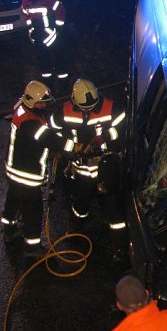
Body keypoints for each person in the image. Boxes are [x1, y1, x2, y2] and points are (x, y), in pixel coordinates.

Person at [50, 78, 126, 252]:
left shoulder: (111, 107)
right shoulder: (64, 112)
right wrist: (69, 147)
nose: (89, 110)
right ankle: (77, 230)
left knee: (113, 205)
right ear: (74, 101)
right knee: (80, 202)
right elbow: (54, 131)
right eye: (85, 108)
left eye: (92, 106)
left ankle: (121, 246)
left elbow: (123, 127)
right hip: (81, 169)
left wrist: (104, 138)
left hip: (106, 166)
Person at [1, 80, 65, 257]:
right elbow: (52, 141)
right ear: (31, 101)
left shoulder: (22, 108)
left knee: (13, 201)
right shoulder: (31, 123)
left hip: (13, 169)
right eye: (41, 103)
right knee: (33, 211)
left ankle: (9, 230)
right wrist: (75, 147)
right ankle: (32, 247)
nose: (44, 105)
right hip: (27, 175)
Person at [21, 0, 70, 93]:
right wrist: (30, 28)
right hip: (38, 35)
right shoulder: (26, 1)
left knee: (58, 57)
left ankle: (63, 82)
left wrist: (58, 28)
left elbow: (60, 11)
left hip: (52, 34)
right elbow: (25, 14)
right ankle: (48, 82)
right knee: (42, 59)